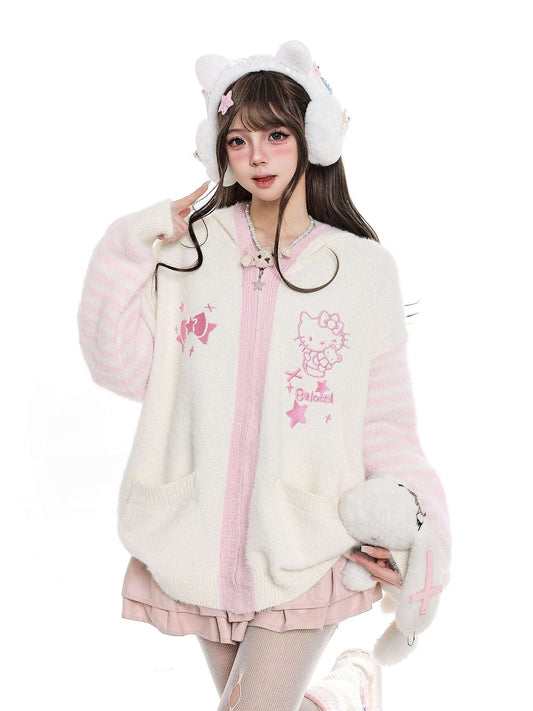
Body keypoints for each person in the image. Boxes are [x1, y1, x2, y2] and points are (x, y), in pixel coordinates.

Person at [77, 40, 450, 711]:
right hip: (196, 544)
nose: (257, 155)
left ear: (312, 136)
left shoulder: (363, 271)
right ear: (220, 150)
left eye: (276, 134)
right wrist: (132, 243)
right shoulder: (188, 254)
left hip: (306, 544)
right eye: (238, 139)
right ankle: (345, 693)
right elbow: (120, 366)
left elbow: (385, 422)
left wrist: (421, 531)